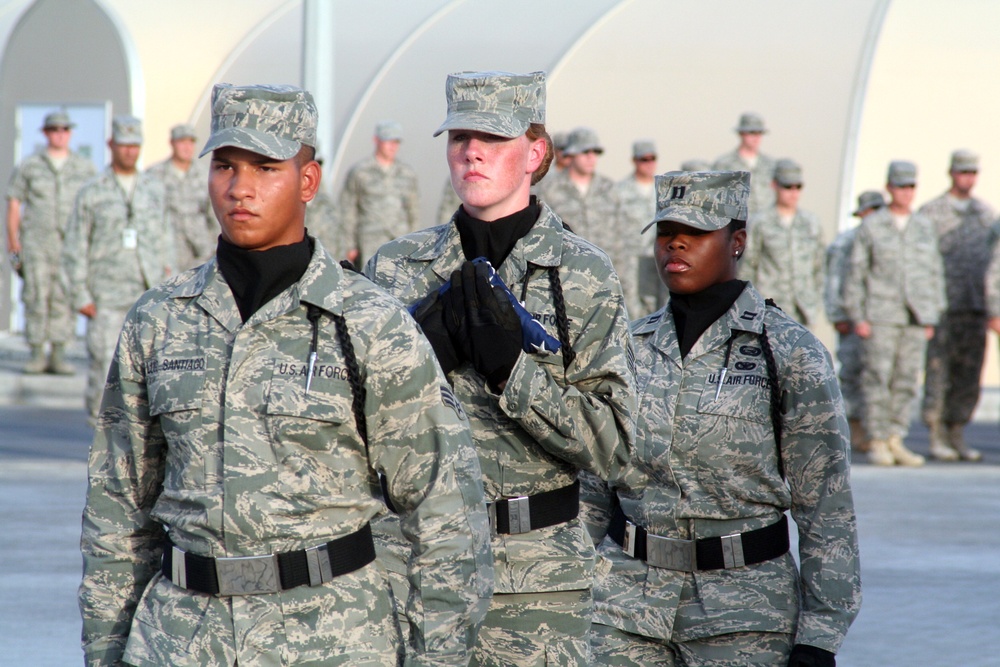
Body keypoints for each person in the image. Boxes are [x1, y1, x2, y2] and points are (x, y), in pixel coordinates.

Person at [78, 83, 493, 667]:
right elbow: (118, 510)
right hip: (179, 640)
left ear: (307, 182)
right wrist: (104, 651)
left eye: (265, 167)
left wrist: (436, 657)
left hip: (329, 638)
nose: (239, 188)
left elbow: (445, 511)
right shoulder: (159, 319)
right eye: (224, 165)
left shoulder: (369, 323)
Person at [364, 70, 635, 666]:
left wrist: (513, 370)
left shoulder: (583, 275)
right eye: (458, 136)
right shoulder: (396, 269)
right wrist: (414, 367)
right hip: (412, 568)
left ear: (536, 152)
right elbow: (353, 430)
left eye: (492, 137)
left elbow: (614, 445)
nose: (471, 152)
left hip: (538, 579)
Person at [591, 170, 861, 667]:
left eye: (695, 233)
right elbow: (596, 477)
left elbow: (825, 504)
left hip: (744, 615)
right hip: (624, 609)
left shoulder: (788, 351)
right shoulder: (627, 347)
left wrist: (820, 635)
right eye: (667, 232)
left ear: (736, 241)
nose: (675, 243)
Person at [62, 115, 173, 421]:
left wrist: (171, 286)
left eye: (135, 146)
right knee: (104, 368)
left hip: (147, 293)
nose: (129, 152)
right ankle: (100, 435)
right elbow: (75, 245)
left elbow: (167, 241)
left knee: (151, 368)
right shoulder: (92, 191)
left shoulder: (154, 188)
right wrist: (80, 294)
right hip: (106, 296)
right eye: (124, 145)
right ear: (111, 145)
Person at [843, 161, 946, 466]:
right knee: (877, 378)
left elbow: (934, 273)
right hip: (881, 315)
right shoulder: (874, 226)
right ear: (889, 188)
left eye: (911, 186)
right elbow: (856, 273)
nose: (906, 192)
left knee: (906, 379)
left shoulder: (924, 227)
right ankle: (876, 439)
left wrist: (932, 315)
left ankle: (895, 438)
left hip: (915, 317)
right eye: (900, 186)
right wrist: (858, 315)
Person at [917, 150, 997, 461]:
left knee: (969, 375)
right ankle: (936, 432)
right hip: (943, 307)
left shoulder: (985, 214)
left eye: (972, 172)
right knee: (939, 372)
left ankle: (957, 431)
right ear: (951, 173)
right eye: (963, 172)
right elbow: (920, 261)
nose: (968, 178)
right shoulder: (931, 213)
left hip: (975, 306)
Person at [5, 110, 97, 374]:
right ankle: (36, 352)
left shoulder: (83, 167)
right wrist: (13, 241)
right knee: (35, 295)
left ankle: (58, 352)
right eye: (55, 130)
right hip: (36, 243)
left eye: (64, 130)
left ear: (70, 133)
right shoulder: (30, 166)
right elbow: (14, 202)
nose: (60, 134)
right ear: (46, 133)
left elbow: (93, 206)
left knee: (63, 297)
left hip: (68, 244)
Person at [536, 126, 626, 306]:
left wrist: (624, 284)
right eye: (585, 151)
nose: (591, 157)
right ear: (572, 154)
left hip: (604, 281)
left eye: (595, 152)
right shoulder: (549, 189)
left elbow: (621, 240)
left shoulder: (609, 190)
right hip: (564, 282)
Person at [825, 190, 885, 453]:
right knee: (850, 374)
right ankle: (852, 429)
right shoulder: (846, 241)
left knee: (877, 376)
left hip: (879, 320)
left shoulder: (886, 239)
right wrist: (838, 314)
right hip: (851, 320)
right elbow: (834, 280)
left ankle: (875, 432)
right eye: (869, 211)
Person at [740, 158, 824, 329]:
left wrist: (815, 301)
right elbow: (748, 266)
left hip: (803, 310)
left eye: (798, 187)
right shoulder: (759, 222)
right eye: (787, 186)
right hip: (769, 308)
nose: (793, 192)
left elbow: (819, 267)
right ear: (774, 185)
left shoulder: (811, 223)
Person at [338, 119, 419, 266]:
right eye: (388, 141)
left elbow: (413, 210)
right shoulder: (360, 172)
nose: (392, 146)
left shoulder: (407, 173)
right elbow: (348, 209)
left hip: (400, 240)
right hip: (370, 241)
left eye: (396, 142)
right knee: (370, 284)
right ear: (376, 140)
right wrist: (349, 245)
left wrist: (415, 242)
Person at [146, 123, 215, 271]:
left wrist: (214, 247)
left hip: (200, 254)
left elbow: (213, 216)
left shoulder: (205, 176)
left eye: (191, 142)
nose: (187, 147)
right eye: (182, 142)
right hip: (167, 254)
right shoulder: (154, 175)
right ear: (172, 143)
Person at [618, 139, 659, 317]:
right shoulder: (620, 191)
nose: (649, 163)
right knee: (633, 308)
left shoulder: (663, 189)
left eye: (652, 158)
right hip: (632, 261)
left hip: (658, 257)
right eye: (644, 159)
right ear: (634, 161)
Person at [712, 112, 776, 217]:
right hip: (737, 220)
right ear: (741, 133)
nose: (756, 137)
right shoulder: (724, 164)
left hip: (766, 224)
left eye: (759, 133)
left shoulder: (771, 165)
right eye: (752, 132)